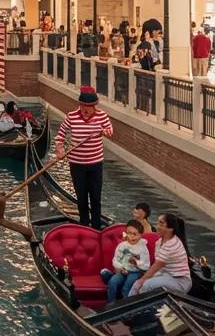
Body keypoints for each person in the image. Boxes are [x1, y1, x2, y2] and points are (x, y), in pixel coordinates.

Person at [55, 86, 114, 229]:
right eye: (83, 106)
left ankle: (95, 226)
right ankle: (84, 225)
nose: (85, 110)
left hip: (95, 163)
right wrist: (60, 149)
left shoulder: (102, 116)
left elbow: (110, 131)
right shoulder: (72, 116)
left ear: (94, 106)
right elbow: (60, 135)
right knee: (81, 197)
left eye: (88, 107)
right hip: (76, 164)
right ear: (79, 105)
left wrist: (103, 132)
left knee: (95, 197)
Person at [130, 212, 192, 296]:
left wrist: (141, 281)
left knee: (145, 285)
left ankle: (137, 307)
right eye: (157, 223)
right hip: (167, 275)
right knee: (137, 283)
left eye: (161, 224)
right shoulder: (159, 242)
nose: (157, 226)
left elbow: (156, 266)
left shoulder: (171, 245)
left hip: (180, 281)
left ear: (170, 229)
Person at [100, 220, 150, 301]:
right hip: (123, 270)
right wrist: (120, 268)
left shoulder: (143, 248)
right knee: (113, 282)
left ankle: (126, 307)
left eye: (134, 234)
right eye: (129, 233)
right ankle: (111, 304)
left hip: (135, 272)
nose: (131, 237)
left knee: (127, 287)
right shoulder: (122, 245)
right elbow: (116, 259)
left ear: (140, 235)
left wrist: (137, 263)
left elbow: (146, 265)